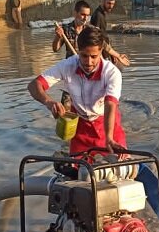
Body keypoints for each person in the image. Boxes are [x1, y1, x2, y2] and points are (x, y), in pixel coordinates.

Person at [29, 25, 126, 157]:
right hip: (81, 128)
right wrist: (49, 102)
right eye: (84, 55)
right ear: (78, 50)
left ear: (101, 51)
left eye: (94, 56)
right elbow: (34, 85)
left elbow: (110, 104)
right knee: (79, 171)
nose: (89, 62)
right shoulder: (68, 65)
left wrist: (109, 138)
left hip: (107, 126)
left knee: (118, 170)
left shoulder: (111, 72)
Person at [90, 0, 130, 68]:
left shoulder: (102, 14)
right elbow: (98, 40)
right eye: (108, 3)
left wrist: (112, 54)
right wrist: (116, 55)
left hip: (105, 53)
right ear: (103, 1)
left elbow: (104, 36)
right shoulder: (98, 16)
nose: (111, 6)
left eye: (112, 4)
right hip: (100, 55)